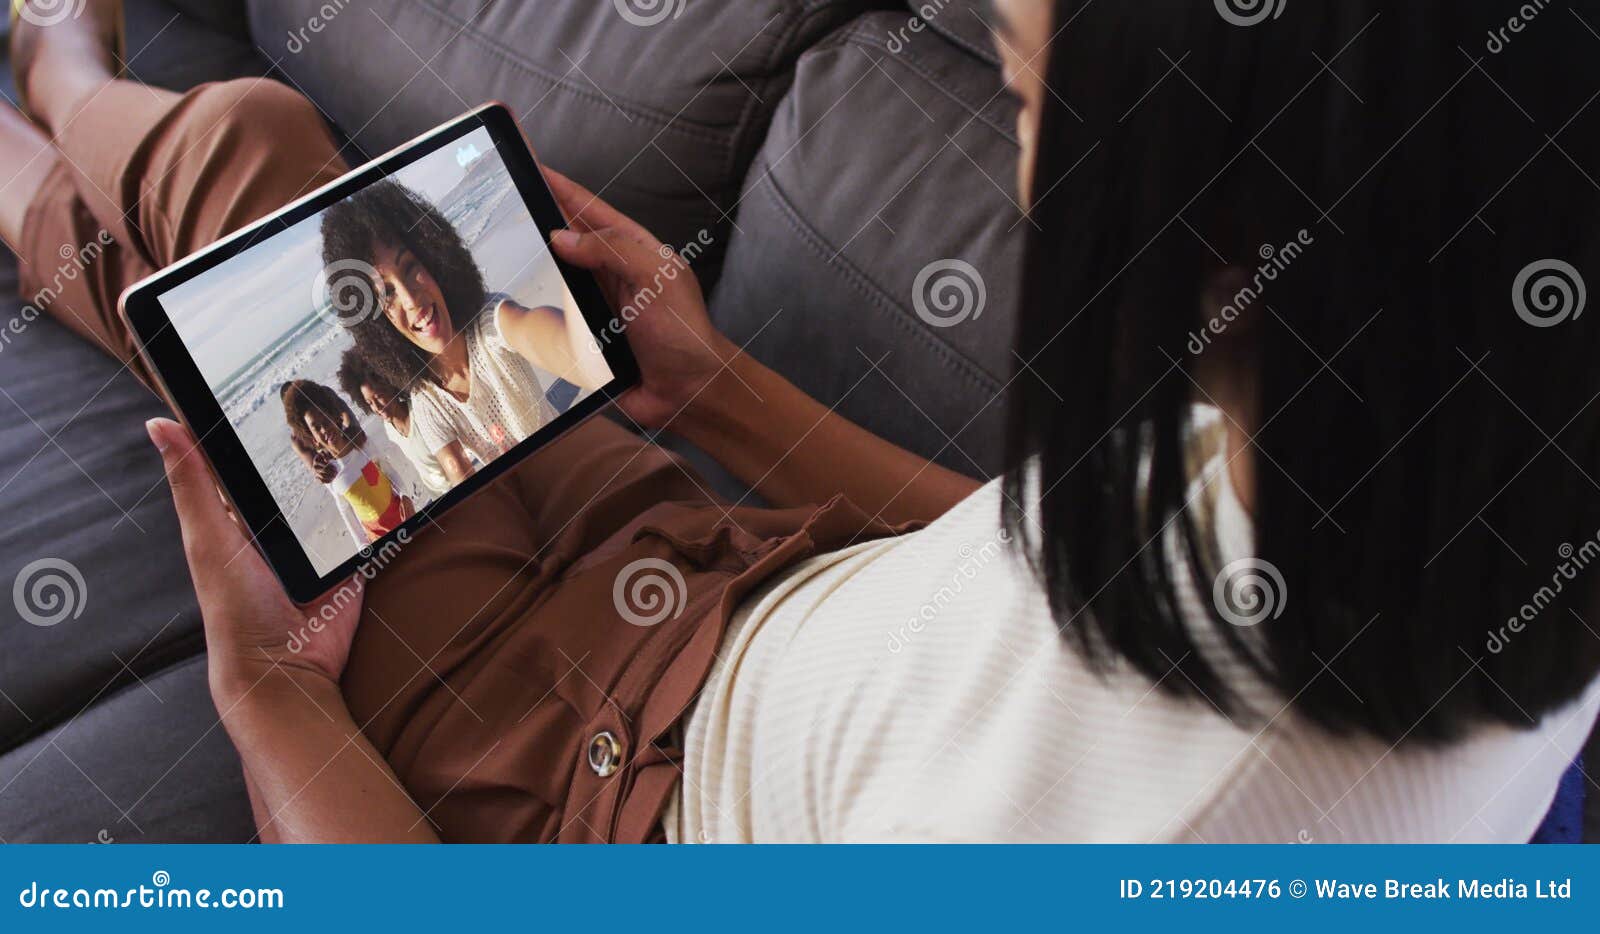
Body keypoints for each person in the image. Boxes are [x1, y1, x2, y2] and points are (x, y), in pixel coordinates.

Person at [5, 0, 1598, 843]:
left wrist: (272, 698)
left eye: (1030, 103)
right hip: (713, 575)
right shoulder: (1442, 448)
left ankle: (55, 65)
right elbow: (1030, 567)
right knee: (254, 281)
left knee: (251, 155)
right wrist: (716, 392)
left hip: (566, 777)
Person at [321, 180, 612, 482]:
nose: (410, 299)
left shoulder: (492, 326)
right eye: (387, 293)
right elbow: (459, 475)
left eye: (409, 267)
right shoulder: (427, 402)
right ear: (376, 322)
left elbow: (581, 353)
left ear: (434, 258)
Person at [279, 379, 424, 548]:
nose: (324, 429)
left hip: (401, 514)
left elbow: (386, 469)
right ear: (311, 437)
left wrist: (404, 496)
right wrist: (362, 546)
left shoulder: (362, 442)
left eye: (325, 421)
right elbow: (345, 510)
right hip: (378, 537)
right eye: (316, 428)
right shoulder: (328, 471)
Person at [336, 348, 456, 497]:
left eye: (379, 396)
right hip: (436, 495)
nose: (377, 407)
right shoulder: (390, 429)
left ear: (390, 386)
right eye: (370, 402)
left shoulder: (421, 410)